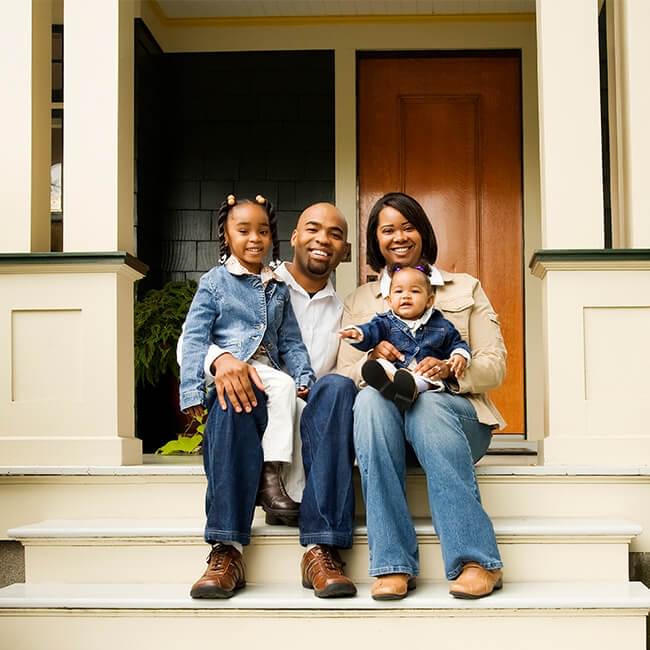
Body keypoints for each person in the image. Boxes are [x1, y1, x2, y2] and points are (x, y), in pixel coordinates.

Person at [182, 200, 358, 599]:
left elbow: (297, 349)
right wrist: (222, 360)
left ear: (345, 250)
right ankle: (227, 548)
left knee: (338, 388)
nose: (323, 240)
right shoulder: (251, 281)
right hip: (253, 409)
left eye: (335, 234)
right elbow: (192, 340)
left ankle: (320, 548)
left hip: (314, 420)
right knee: (232, 392)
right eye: (313, 229)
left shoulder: (348, 309)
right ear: (294, 237)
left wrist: (308, 382)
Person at [337, 192, 506, 601]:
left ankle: (475, 559)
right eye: (387, 229)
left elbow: (495, 364)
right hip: (387, 429)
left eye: (407, 226)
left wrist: (451, 370)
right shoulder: (362, 300)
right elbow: (344, 371)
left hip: (456, 421)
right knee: (369, 401)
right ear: (376, 240)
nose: (398, 237)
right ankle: (392, 564)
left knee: (427, 404)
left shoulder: (464, 287)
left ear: (423, 232)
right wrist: (373, 359)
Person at [180, 193, 315, 538]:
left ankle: (283, 488)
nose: (255, 239)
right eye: (244, 231)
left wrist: (305, 376)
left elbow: (291, 340)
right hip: (234, 371)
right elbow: (195, 336)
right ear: (226, 235)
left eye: (263, 231)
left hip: (268, 369)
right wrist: (192, 390)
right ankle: (270, 481)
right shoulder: (215, 282)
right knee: (281, 387)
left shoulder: (279, 287)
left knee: (292, 394)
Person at [339, 261, 471, 410]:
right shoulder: (384, 322)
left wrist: (460, 356)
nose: (406, 296)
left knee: (428, 379)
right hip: (396, 372)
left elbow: (457, 343)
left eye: (414, 291)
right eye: (398, 291)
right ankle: (388, 385)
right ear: (389, 300)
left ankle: (410, 389)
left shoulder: (441, 325)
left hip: (424, 374)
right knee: (381, 365)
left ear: (429, 301)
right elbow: (370, 331)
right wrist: (358, 333)